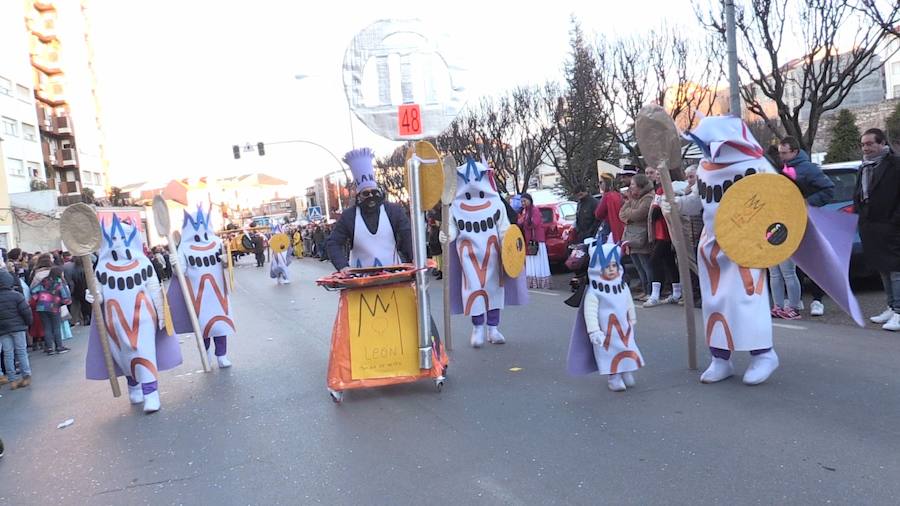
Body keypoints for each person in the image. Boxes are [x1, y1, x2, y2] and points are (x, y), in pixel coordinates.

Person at [669, 115, 779, 385]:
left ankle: (764, 354)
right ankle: (720, 358)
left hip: (747, 244)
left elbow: (780, 201)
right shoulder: (705, 168)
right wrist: (675, 204)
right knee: (715, 301)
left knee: (747, 300)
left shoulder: (758, 165)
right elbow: (698, 202)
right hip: (711, 247)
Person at [85, 215, 181, 413]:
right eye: (114, 240)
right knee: (123, 356)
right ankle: (134, 386)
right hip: (115, 321)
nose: (118, 244)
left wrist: (162, 315)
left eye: (122, 238)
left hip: (143, 317)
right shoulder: (102, 267)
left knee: (144, 352)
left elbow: (154, 288)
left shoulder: (143, 263)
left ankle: (151, 394)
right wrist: (92, 296)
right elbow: (99, 294)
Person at [441, 158, 528, 348]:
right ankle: (478, 327)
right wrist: (446, 235)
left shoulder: (496, 204)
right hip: (469, 257)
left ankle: (493, 328)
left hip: (494, 256)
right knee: (473, 290)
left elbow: (504, 229)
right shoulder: (456, 207)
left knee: (495, 291)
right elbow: (452, 230)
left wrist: (510, 247)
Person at [567, 241, 643, 391]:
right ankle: (614, 377)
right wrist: (594, 331)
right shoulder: (594, 292)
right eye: (607, 266)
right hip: (606, 333)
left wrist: (632, 317)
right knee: (610, 354)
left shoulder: (622, 286)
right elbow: (590, 312)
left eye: (614, 266)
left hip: (624, 329)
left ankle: (626, 371)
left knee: (627, 348)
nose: (611, 269)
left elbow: (628, 303)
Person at [168, 205, 236, 368]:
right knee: (203, 326)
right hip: (197, 294)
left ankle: (222, 355)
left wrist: (227, 261)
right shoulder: (184, 246)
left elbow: (226, 266)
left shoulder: (216, 242)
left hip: (218, 292)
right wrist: (175, 264)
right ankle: (205, 354)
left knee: (221, 326)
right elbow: (181, 272)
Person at [326, 148, 413, 272]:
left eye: (374, 192)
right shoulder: (349, 216)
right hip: (360, 280)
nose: (371, 197)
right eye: (366, 194)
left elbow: (407, 234)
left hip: (394, 277)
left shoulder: (394, 211)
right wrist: (343, 266)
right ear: (359, 197)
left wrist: (414, 257)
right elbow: (333, 242)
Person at [777, 136, 835, 318]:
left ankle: (817, 300)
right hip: (792, 220)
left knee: (813, 261)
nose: (782, 156)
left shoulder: (808, 168)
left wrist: (806, 203)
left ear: (794, 151)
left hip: (810, 220)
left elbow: (829, 189)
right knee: (797, 261)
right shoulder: (785, 169)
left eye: (784, 153)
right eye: (780, 153)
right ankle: (797, 299)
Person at [854, 128, 900, 331]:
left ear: (882, 144)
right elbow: (860, 194)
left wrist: (894, 220)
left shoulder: (894, 164)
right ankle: (891, 306)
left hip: (891, 225)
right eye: (863, 144)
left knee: (896, 270)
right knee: (882, 268)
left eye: (870, 144)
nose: (866, 148)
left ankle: (899, 311)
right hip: (870, 226)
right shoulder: (864, 167)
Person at [643, 167, 682, 307]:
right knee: (668, 261)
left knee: (654, 261)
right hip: (662, 230)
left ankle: (655, 295)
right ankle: (677, 292)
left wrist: (655, 212)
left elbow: (656, 211)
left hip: (665, 231)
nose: (656, 176)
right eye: (657, 174)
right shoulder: (659, 188)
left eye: (659, 174)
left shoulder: (665, 189)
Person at [619, 174, 654, 301]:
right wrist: (629, 212)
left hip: (641, 236)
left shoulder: (648, 198)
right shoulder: (633, 198)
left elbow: (639, 214)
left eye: (633, 184)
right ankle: (644, 290)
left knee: (645, 265)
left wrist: (629, 215)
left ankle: (650, 291)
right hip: (631, 234)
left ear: (640, 185)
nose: (630, 187)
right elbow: (621, 214)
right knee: (638, 266)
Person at [0, 269, 34, 389]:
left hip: (3, 330)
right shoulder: (16, 296)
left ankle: (12, 379)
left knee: (8, 354)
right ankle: (26, 376)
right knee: (21, 351)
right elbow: (26, 312)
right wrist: (28, 323)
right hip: (18, 327)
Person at [30, 264, 72, 355]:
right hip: (54, 307)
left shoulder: (44, 281)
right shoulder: (59, 283)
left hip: (41, 307)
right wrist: (64, 302)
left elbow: (33, 290)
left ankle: (49, 348)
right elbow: (66, 297)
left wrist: (38, 298)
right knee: (56, 327)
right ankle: (59, 347)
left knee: (46, 327)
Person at [518, 193, 551, 289]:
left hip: (536, 240)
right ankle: (533, 282)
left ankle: (540, 281)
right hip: (530, 240)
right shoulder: (526, 211)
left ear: (530, 200)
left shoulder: (534, 210)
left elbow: (534, 223)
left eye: (524, 201)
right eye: (521, 201)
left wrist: (524, 222)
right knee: (532, 261)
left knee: (538, 261)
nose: (523, 203)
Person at [593, 175, 625, 244]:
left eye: (601, 182)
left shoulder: (607, 196)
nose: (599, 185)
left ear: (607, 183)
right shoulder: (619, 195)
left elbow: (598, 214)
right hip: (622, 227)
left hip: (610, 228)